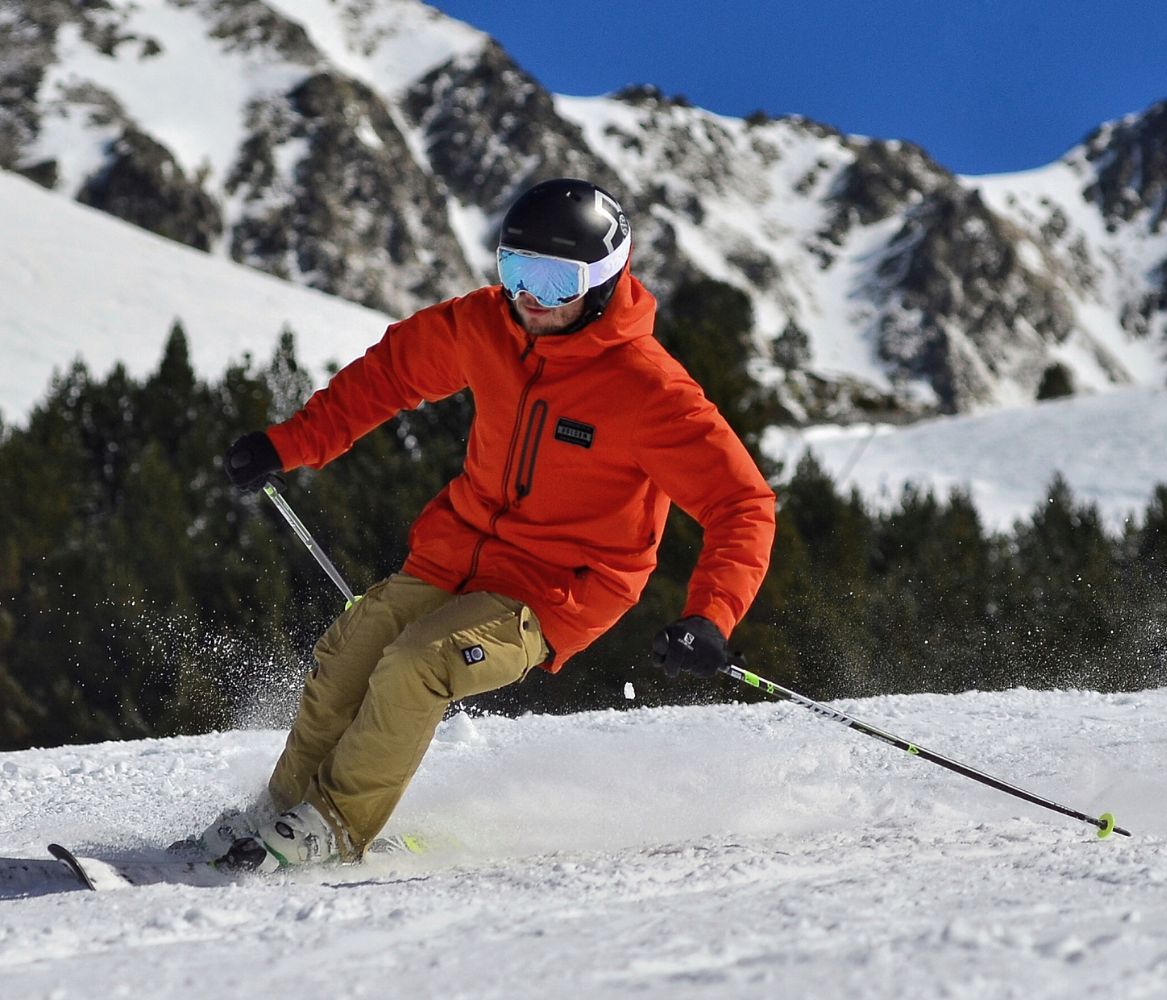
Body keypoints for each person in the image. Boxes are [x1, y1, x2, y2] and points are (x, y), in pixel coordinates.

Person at [201, 177, 776, 870]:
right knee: (353, 646)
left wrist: (712, 615)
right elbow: (388, 375)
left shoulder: (646, 389)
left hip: (556, 590)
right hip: (456, 555)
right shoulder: (485, 325)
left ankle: (332, 826)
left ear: (600, 282)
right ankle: (282, 807)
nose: (531, 297)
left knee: (419, 662)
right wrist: (287, 444)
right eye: (514, 270)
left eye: (555, 282)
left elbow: (741, 504)